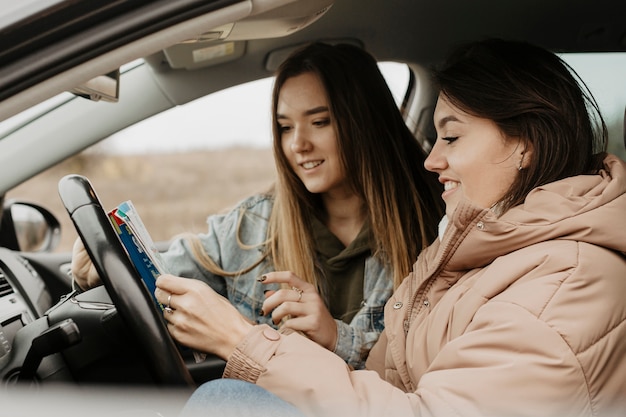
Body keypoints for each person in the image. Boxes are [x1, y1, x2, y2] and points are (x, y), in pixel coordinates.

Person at [156, 38, 626, 417]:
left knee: (225, 403)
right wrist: (334, 340)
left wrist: (245, 343)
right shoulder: (479, 247)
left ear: (525, 143)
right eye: (283, 127)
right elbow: (399, 377)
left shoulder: (561, 283)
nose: (431, 159)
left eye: (453, 137)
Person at [71, 42, 444, 369]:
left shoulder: (434, 230)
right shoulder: (252, 225)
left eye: (319, 121)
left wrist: (335, 338)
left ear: (365, 123)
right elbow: (165, 278)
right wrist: (105, 265)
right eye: (285, 127)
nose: (298, 144)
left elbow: (414, 371)